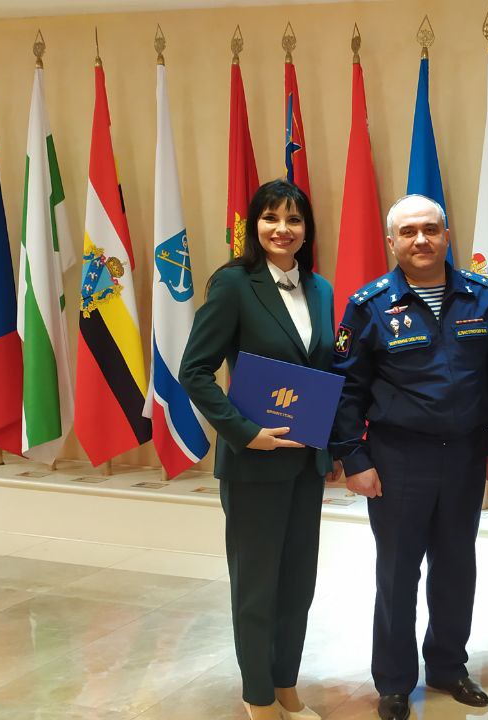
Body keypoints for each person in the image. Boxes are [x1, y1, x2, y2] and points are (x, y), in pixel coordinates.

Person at [329, 194, 488, 720]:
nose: (421, 239)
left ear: (447, 235)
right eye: (408, 232)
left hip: (465, 457)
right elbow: (347, 389)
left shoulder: (480, 297)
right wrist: (354, 458)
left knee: (456, 567)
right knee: (397, 573)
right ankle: (393, 681)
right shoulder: (368, 305)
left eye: (431, 229)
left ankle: (448, 666)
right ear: (393, 242)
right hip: (397, 458)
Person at [180, 179, 337, 720]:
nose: (282, 229)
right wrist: (245, 431)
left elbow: (323, 369)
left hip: (306, 461)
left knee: (298, 583)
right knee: (256, 586)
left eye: (294, 220)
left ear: (307, 230)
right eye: (271, 218)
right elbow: (194, 371)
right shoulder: (233, 284)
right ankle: (259, 696)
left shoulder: (320, 289)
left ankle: (286, 684)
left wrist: (333, 445)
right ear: (254, 226)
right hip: (254, 462)